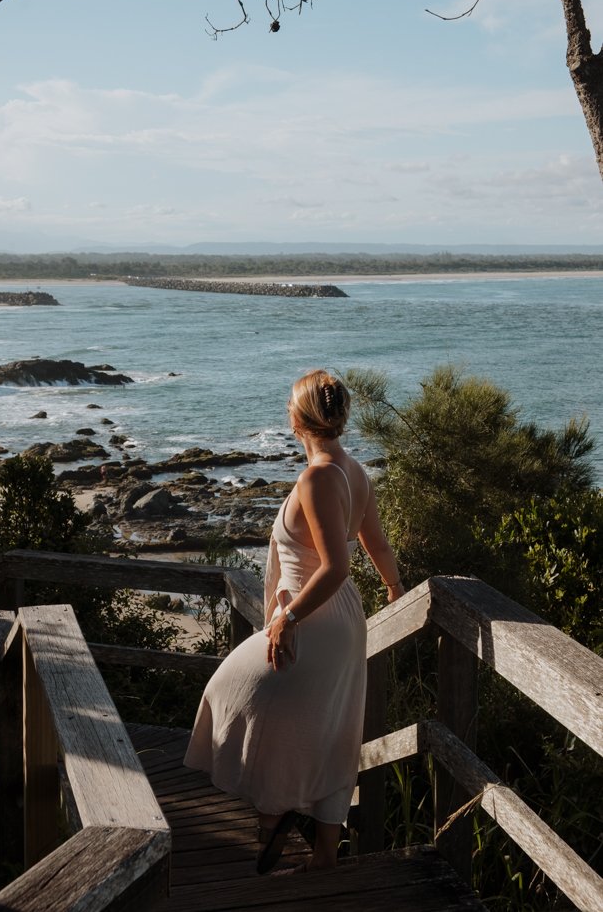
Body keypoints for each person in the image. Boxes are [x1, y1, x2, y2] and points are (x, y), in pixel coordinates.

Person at [183, 369, 404, 874]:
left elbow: (335, 566)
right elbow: (377, 544)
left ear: (299, 419)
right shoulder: (355, 471)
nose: (286, 408)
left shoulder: (318, 477)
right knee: (329, 729)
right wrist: (394, 587)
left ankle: (273, 812)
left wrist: (287, 618)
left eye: (289, 403)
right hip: (342, 619)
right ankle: (322, 853)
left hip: (313, 617)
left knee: (232, 691)